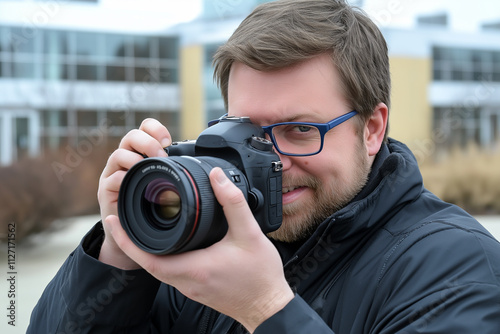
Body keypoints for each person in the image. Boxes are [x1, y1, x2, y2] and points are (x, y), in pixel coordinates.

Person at [29, 0, 500, 333]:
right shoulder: (202, 244)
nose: (270, 161)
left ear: (372, 129)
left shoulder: (456, 267)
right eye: (247, 133)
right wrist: (119, 254)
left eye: (299, 130)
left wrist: (265, 308)